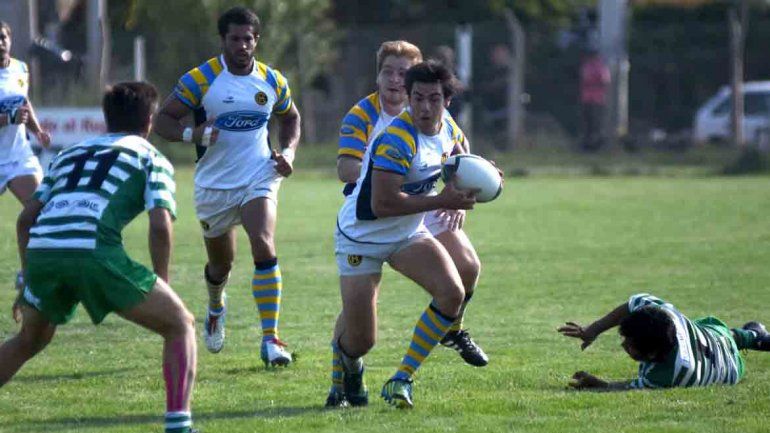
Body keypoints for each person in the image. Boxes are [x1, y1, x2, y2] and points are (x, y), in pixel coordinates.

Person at [1, 82, 198, 433]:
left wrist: (28, 280)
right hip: (91, 251)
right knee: (179, 324)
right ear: (149, 121)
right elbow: (160, 225)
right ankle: (179, 427)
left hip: (44, 251)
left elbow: (25, 219)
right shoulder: (152, 158)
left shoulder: (69, 155)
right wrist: (162, 282)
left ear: (106, 119)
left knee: (29, 340)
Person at [329, 61, 499, 410]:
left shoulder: (449, 129)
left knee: (452, 293)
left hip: (407, 233)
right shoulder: (397, 139)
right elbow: (382, 204)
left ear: (446, 101)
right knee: (361, 340)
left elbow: (460, 160)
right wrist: (442, 199)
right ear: (408, 97)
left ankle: (402, 378)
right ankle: (345, 369)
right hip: (361, 237)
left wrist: (488, 178)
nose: (424, 108)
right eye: (417, 98)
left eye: (433, 99)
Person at [154, 6, 301, 366]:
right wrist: (194, 133)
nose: (242, 45)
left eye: (248, 39)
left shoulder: (272, 80)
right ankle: (216, 305)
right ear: (223, 40)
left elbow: (291, 117)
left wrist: (290, 153)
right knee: (221, 266)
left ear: (256, 41)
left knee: (263, 242)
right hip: (214, 185)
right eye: (235, 39)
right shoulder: (200, 79)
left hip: (259, 175)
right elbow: (162, 121)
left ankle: (271, 339)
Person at [559, 293, 770, 390]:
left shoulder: (668, 375)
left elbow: (630, 385)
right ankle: (752, 336)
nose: (623, 345)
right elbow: (633, 303)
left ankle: (753, 337)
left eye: (630, 346)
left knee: (718, 335)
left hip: (731, 368)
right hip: (711, 337)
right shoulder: (665, 315)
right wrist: (593, 329)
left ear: (652, 355)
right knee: (715, 332)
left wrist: (599, 384)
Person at [0, 21, 52, 295]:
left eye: (2, 37)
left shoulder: (21, 68)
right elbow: (12, 113)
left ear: (10, 39)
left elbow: (24, 102)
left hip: (18, 156)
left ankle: (27, 274)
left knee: (40, 211)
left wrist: (38, 129)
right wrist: (7, 118)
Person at [579, 47, 610, 152]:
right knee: (590, 124)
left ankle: (595, 146)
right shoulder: (592, 66)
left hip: (595, 99)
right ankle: (589, 146)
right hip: (591, 99)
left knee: (595, 124)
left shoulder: (597, 67)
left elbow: (603, 81)